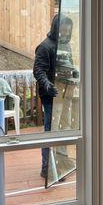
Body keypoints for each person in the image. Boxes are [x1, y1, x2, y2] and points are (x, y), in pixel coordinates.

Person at [33, 14, 73, 179]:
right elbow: (38, 70)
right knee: (51, 130)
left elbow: (68, 65)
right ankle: (47, 167)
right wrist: (47, 85)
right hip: (51, 96)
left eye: (67, 31)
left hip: (66, 94)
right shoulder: (45, 46)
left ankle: (62, 162)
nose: (65, 33)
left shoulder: (66, 46)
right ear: (56, 28)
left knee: (64, 128)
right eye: (63, 30)